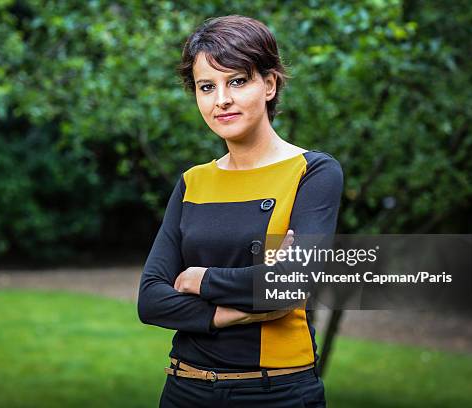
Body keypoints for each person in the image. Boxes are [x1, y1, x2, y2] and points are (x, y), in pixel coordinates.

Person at [137, 15, 343, 408]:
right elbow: (150, 299)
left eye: (237, 81)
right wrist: (231, 314)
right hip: (185, 388)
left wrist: (199, 279)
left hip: (276, 393)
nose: (221, 100)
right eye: (206, 87)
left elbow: (293, 283)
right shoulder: (193, 182)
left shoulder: (312, 172)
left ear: (269, 84)